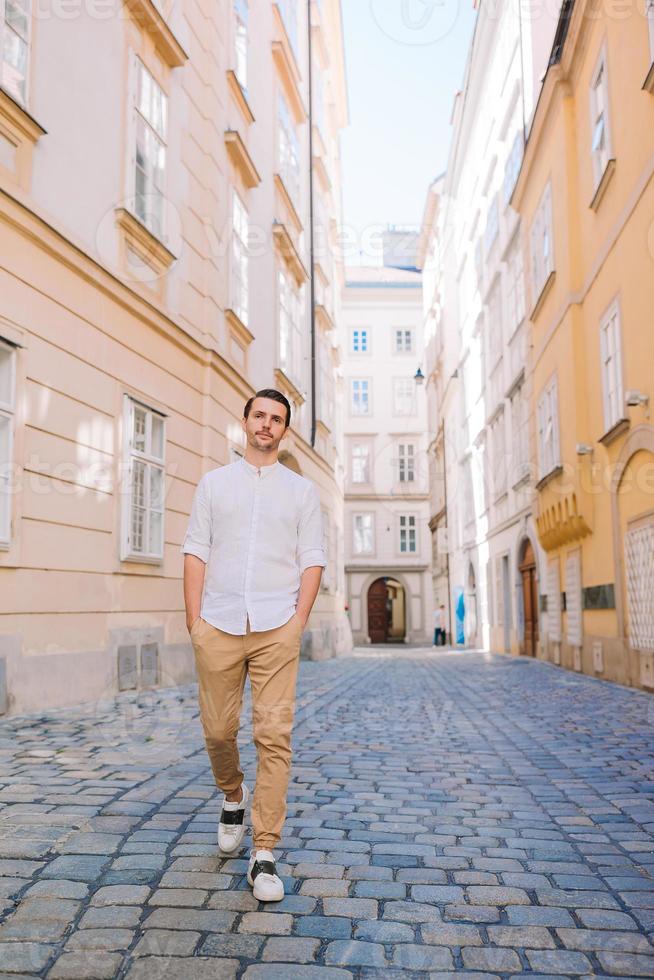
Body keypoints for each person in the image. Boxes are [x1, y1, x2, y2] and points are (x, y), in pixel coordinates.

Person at [181, 389, 326, 902]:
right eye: (259, 415)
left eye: (277, 419)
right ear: (244, 421)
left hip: (275, 627)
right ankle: (232, 794)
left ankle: (263, 852)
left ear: (285, 430)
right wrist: (194, 621)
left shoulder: (301, 492)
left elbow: (312, 558)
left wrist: (297, 622)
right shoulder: (214, 485)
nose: (267, 424)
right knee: (219, 730)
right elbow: (196, 549)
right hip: (218, 622)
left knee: (273, 735)